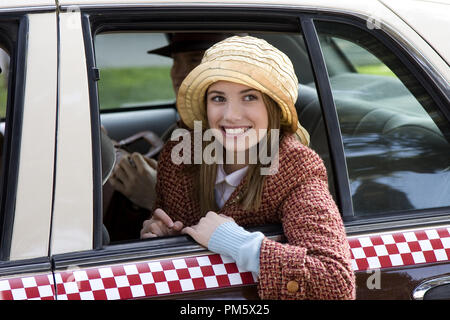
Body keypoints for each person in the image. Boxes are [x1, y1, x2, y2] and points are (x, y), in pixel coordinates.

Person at [139, 36, 355, 299]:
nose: (231, 115)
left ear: (273, 107)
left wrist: (236, 242)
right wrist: (160, 237)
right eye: (218, 98)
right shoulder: (180, 157)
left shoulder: (296, 168)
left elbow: (336, 284)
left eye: (249, 97)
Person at [103, 33, 230, 241]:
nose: (178, 73)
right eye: (175, 62)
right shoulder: (180, 133)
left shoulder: (245, 141)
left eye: (194, 60)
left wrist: (154, 196)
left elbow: (240, 228)